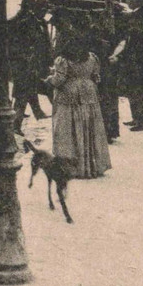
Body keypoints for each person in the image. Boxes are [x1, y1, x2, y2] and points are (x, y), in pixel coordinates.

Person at [47, 34, 111, 178]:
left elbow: (59, 80)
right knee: (89, 128)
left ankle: (71, 166)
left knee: (67, 129)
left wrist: (49, 79)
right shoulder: (92, 58)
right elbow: (96, 76)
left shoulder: (63, 60)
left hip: (69, 94)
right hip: (89, 93)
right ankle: (91, 165)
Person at [7, 0, 52, 130]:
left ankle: (36, 114)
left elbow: (45, 44)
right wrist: (25, 58)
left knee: (30, 91)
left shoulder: (41, 23)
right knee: (23, 94)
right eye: (42, 10)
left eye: (45, 11)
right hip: (25, 65)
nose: (44, 13)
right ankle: (16, 124)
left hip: (37, 66)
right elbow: (17, 44)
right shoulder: (25, 23)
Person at [111, 2, 143, 131]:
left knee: (138, 94)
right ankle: (136, 119)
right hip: (133, 67)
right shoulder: (132, 34)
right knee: (132, 93)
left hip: (138, 68)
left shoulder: (138, 35)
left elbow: (137, 52)